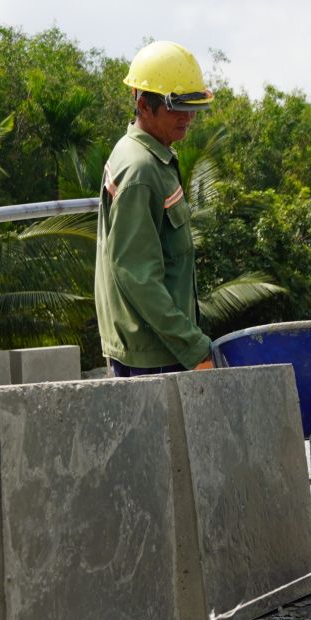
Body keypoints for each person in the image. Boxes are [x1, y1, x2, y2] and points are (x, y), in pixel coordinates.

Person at [95, 40, 215, 377]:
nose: (188, 118)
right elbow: (138, 276)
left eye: (193, 107)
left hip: (156, 346)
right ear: (143, 105)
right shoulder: (141, 170)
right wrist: (193, 347)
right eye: (178, 108)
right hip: (154, 355)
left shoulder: (147, 156)